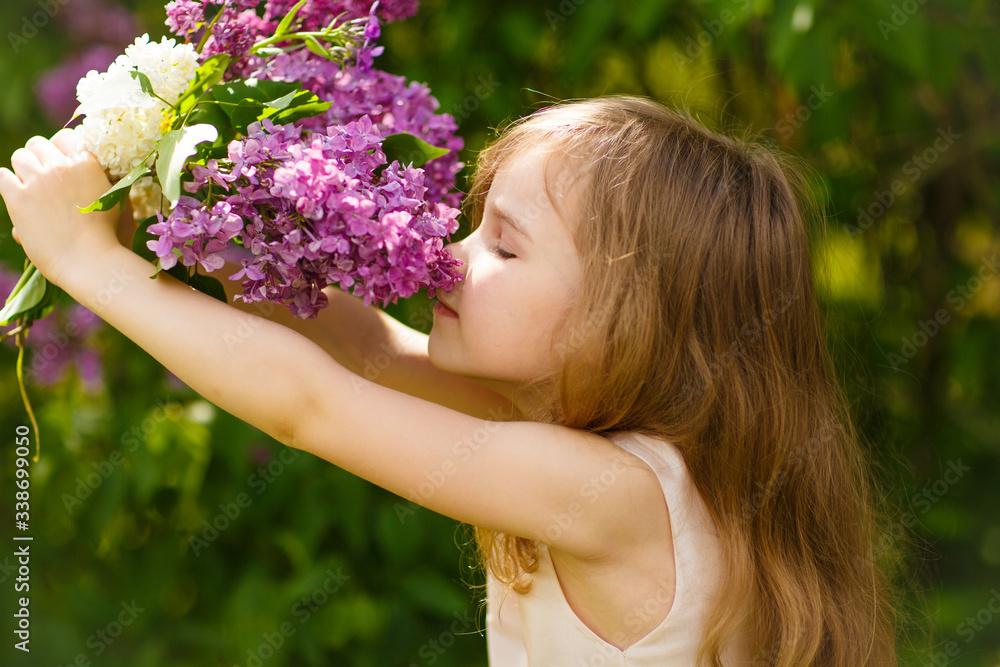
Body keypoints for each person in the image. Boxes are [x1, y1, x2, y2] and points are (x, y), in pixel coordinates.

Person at [0, 96, 899, 666]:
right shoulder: (600, 449)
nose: (447, 256)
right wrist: (215, 224)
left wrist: (88, 266)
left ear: (632, 316)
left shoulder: (613, 491)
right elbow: (374, 357)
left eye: (504, 245)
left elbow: (312, 405)